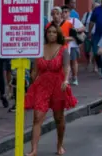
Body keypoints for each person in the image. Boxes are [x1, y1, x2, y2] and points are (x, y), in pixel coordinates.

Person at [25, 23, 78, 156]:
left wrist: (66, 80)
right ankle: (34, 150)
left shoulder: (62, 50)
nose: (51, 34)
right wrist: (28, 80)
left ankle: (60, 144)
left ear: (58, 34)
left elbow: (67, 67)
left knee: (58, 118)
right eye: (49, 32)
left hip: (58, 85)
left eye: (54, 32)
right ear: (46, 34)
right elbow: (35, 71)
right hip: (42, 85)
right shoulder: (40, 49)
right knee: (37, 117)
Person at [62, 6, 85, 86]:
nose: (64, 14)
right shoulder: (60, 22)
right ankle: (66, 78)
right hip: (63, 44)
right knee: (65, 62)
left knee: (73, 61)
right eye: (63, 12)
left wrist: (76, 30)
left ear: (69, 13)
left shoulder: (74, 20)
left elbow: (83, 28)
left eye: (66, 12)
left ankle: (75, 77)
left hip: (73, 44)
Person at [81, 2, 98, 72]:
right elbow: (82, 23)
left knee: (95, 50)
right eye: (95, 7)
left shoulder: (100, 15)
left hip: (96, 34)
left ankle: (95, 65)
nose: (96, 9)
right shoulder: (87, 14)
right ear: (92, 7)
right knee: (86, 50)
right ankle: (88, 61)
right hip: (87, 34)